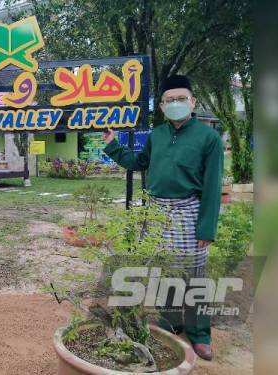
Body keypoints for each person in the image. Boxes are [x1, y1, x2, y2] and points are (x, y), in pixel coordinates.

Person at [102, 75, 223, 361]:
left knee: (194, 277)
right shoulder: (157, 134)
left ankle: (200, 334)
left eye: (181, 99)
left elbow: (213, 186)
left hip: (188, 212)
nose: (176, 104)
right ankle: (171, 323)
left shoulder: (209, 138)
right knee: (163, 272)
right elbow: (137, 163)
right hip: (156, 212)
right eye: (169, 100)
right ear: (161, 106)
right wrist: (112, 144)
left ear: (193, 102)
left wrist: (206, 227)